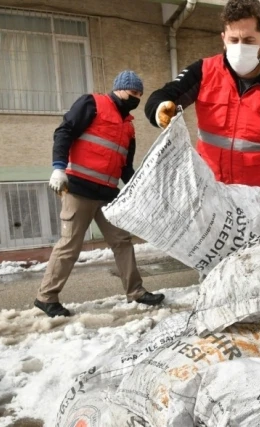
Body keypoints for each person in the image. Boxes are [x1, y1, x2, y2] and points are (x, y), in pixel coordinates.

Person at [144, 0, 260, 217]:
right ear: (224, 40)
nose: (240, 47)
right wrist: (160, 109)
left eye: (249, 40)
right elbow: (161, 97)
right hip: (209, 198)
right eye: (234, 40)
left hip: (259, 204)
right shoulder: (204, 72)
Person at [35, 71, 165, 318]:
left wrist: (139, 190)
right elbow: (64, 131)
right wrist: (58, 168)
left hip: (108, 195)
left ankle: (136, 292)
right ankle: (46, 297)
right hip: (79, 190)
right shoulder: (92, 104)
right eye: (133, 92)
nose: (136, 98)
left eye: (139, 94)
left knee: (122, 242)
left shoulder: (129, 127)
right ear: (119, 89)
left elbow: (126, 166)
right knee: (70, 245)